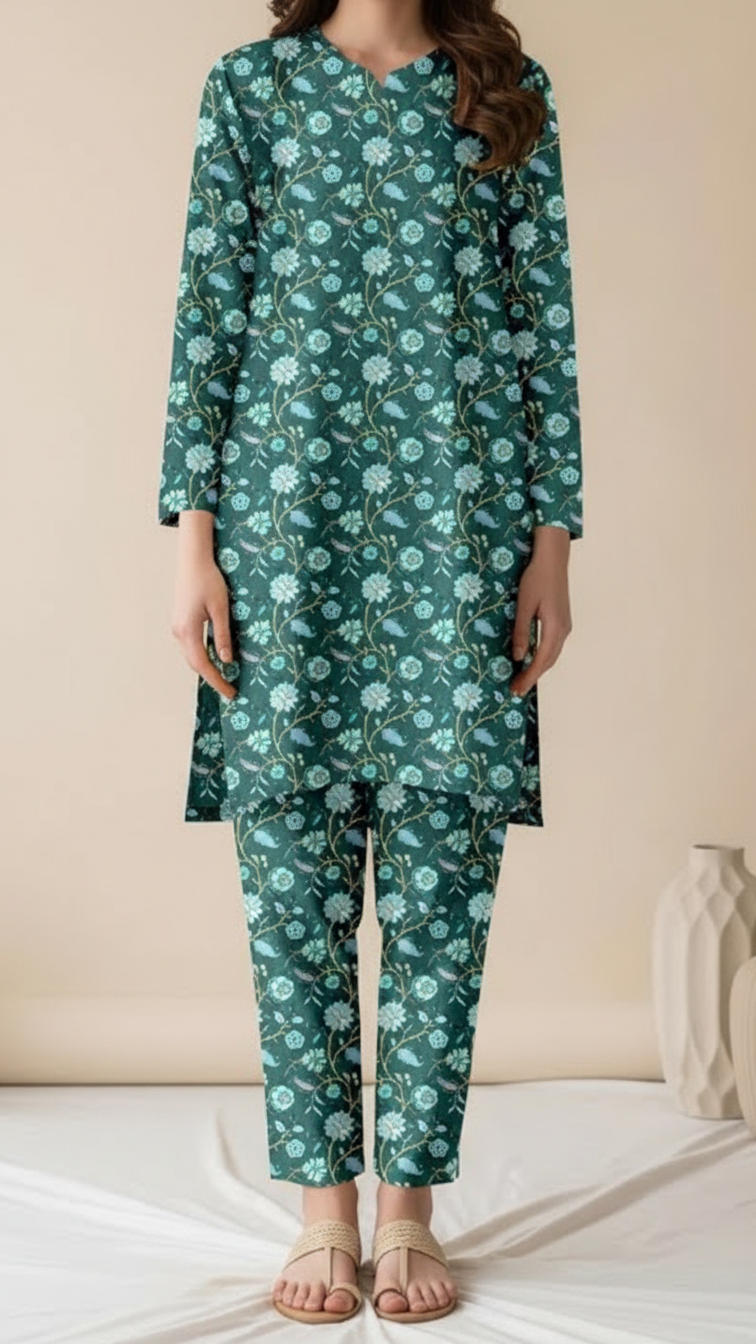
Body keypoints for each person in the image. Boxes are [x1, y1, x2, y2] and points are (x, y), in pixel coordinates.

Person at [158, 0, 584, 1323]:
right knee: (292, 880)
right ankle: (323, 1213)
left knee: (444, 880)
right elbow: (209, 313)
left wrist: (553, 545)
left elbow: (545, 322)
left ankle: (408, 1209)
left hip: (462, 528)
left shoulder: (502, 86)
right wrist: (194, 547)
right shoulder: (252, 87)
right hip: (286, 527)